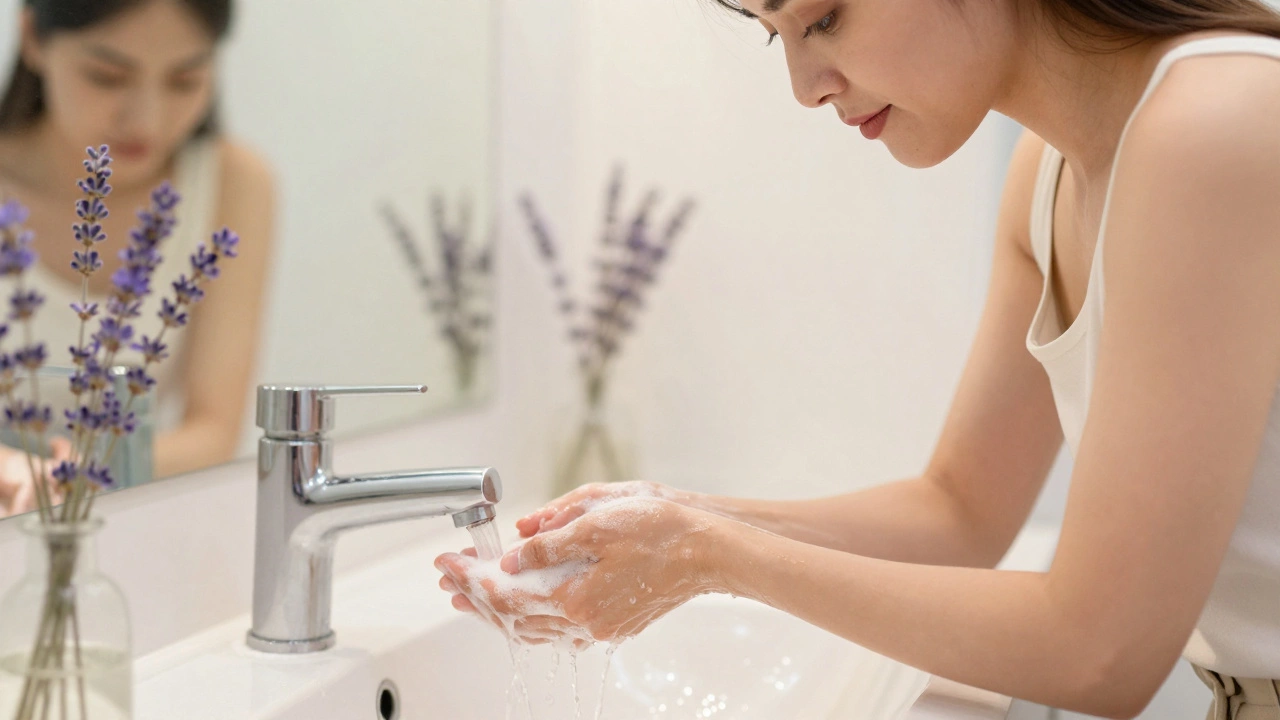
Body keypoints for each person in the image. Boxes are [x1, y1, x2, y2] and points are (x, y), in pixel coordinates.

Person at [436, 1, 1280, 717]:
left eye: (825, 17)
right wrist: (677, 517)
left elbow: (1104, 651)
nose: (805, 89)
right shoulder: (1048, 172)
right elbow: (959, 513)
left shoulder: (1214, 119)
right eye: (777, 33)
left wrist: (705, 555)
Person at [0, 0, 274, 517]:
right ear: (34, 38)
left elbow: (212, 431)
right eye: (107, 76)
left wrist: (76, 471)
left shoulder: (234, 185)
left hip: (128, 527)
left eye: (185, 80)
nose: (146, 118)